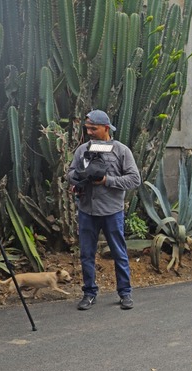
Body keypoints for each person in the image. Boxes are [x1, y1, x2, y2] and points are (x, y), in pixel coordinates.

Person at [67, 110, 141, 310]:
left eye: (94, 128)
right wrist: (79, 180)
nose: (89, 132)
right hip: (87, 211)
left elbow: (135, 179)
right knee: (87, 254)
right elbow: (71, 172)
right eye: (87, 128)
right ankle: (89, 293)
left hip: (112, 212)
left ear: (106, 128)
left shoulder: (121, 150)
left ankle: (125, 293)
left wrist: (106, 180)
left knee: (119, 253)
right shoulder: (83, 150)